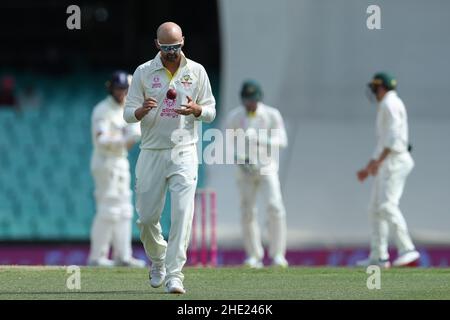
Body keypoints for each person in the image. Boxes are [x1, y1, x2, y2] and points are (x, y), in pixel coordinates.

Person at [123, 22, 216, 294]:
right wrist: (140, 110)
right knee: (147, 218)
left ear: (183, 42)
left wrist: (198, 109)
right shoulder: (143, 71)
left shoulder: (196, 71)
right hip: (151, 151)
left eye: (175, 47)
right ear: (157, 45)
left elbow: (211, 110)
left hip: (184, 150)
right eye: (166, 48)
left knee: (182, 214)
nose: (171, 52)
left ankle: (175, 275)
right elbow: (128, 113)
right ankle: (159, 259)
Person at [356, 72, 420, 268]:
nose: (374, 93)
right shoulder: (388, 104)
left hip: (395, 161)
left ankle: (407, 249)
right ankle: (379, 256)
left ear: (380, 87)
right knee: (374, 209)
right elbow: (383, 141)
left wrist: (378, 162)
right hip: (388, 161)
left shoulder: (389, 104)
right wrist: (369, 167)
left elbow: (392, 138)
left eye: (375, 89)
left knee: (386, 206)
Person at [226, 80, 289, 268]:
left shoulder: (271, 115)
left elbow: (282, 140)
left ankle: (278, 255)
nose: (250, 104)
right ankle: (254, 255)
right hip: (244, 170)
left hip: (267, 168)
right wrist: (240, 159)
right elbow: (228, 144)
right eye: (247, 100)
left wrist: (261, 139)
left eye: (253, 100)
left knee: (275, 207)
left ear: (259, 99)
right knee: (247, 211)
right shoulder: (235, 116)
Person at [88, 71, 146, 268]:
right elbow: (101, 139)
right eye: (118, 88)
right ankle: (97, 256)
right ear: (110, 89)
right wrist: (123, 138)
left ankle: (123, 256)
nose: (122, 92)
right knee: (108, 209)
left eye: (124, 89)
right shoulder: (102, 110)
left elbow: (135, 134)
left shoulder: (129, 109)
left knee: (124, 211)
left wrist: (127, 138)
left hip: (120, 161)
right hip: (105, 162)